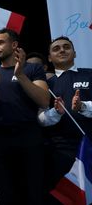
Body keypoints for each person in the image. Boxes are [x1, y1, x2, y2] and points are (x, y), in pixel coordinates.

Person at [0, 28, 49, 205]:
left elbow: (44, 101)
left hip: (29, 137)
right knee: (6, 195)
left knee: (34, 194)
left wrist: (20, 75)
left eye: (0, 42)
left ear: (14, 45)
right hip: (0, 140)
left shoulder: (33, 69)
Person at [38, 36, 92, 204]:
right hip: (60, 153)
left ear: (74, 53)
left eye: (66, 47)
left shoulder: (89, 74)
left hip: (89, 149)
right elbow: (41, 119)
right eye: (56, 48)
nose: (62, 50)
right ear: (49, 57)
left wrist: (82, 106)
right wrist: (56, 112)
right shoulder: (45, 84)